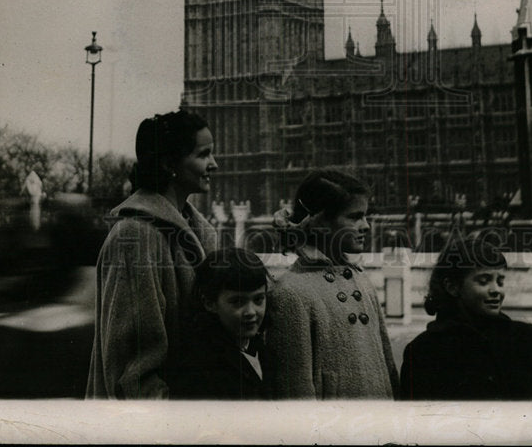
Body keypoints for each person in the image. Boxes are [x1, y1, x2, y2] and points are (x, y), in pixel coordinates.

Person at [86, 110, 218, 398]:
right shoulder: (134, 238)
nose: (214, 164)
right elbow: (131, 371)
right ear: (169, 163)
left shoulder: (203, 232)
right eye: (203, 154)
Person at [265, 168, 398, 399]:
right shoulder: (290, 293)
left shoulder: (361, 281)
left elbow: (387, 366)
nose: (365, 225)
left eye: (365, 216)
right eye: (355, 217)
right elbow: (294, 392)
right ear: (320, 222)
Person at [399, 233, 532, 401]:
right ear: (452, 286)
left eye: (500, 281)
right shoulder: (424, 351)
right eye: (483, 281)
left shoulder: (525, 339)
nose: (496, 290)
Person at [171, 248, 270, 399]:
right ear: (210, 303)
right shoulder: (200, 366)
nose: (251, 311)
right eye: (237, 302)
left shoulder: (261, 347)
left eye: (258, 300)